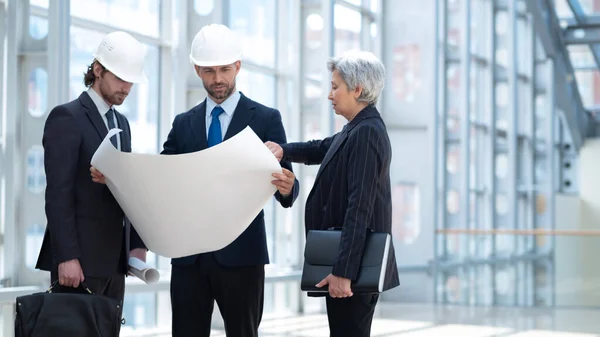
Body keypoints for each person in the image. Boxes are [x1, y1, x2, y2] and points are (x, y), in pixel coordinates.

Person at [161, 24, 299, 337]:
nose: (218, 79)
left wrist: (289, 188)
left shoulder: (265, 118)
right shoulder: (183, 124)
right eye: (209, 71)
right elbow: (163, 178)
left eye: (225, 69)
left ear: (237, 66)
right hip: (189, 257)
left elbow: (287, 187)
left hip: (242, 256)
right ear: (197, 70)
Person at [265, 50, 400, 337]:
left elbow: (359, 207)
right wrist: (283, 149)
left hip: (352, 268)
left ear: (357, 89)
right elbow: (322, 147)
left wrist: (343, 272)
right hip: (348, 264)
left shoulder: (367, 133)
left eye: (335, 87)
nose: (330, 95)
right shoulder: (357, 129)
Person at [36, 31, 148, 311]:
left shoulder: (122, 124)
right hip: (79, 263)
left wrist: (136, 245)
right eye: (120, 78)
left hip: (115, 264)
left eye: (131, 81)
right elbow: (58, 194)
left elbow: (127, 188)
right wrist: (67, 257)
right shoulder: (67, 117)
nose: (126, 88)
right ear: (98, 70)